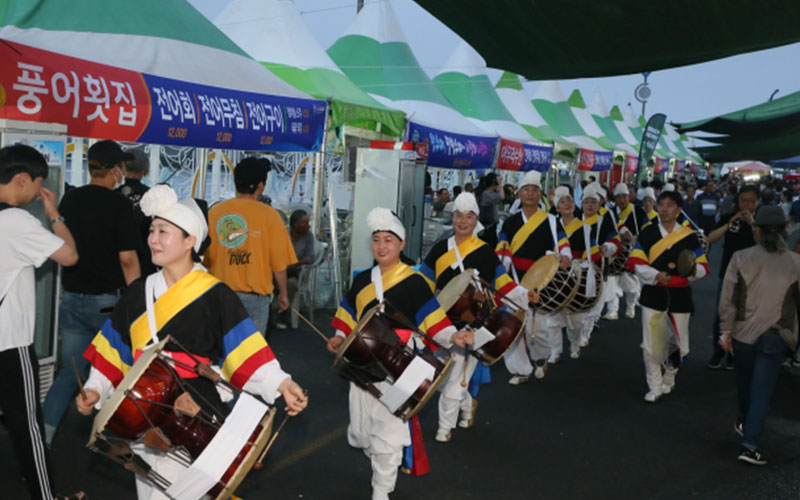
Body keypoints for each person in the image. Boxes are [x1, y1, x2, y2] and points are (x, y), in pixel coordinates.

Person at [76, 184, 307, 499]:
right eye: (152, 230)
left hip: (197, 405)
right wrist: (95, 388)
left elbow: (244, 350)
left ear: (190, 241)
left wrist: (282, 383)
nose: (153, 239)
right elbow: (114, 351)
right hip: (144, 408)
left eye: (163, 231)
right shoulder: (138, 292)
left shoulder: (215, 295)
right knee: (151, 493)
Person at [327, 207, 472, 500]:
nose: (381, 246)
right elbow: (346, 315)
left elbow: (433, 320)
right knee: (362, 433)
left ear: (402, 244)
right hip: (363, 363)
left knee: (390, 429)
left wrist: (452, 335)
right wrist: (339, 337)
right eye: (377, 239)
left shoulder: (415, 281)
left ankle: (382, 489)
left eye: (388, 240)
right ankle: (379, 459)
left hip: (403, 364)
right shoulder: (360, 280)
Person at [43, 139, 141, 444]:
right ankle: (118, 441)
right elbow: (127, 258)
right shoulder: (119, 204)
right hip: (107, 305)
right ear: (116, 169)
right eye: (122, 167)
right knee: (119, 373)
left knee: (67, 374)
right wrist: (137, 298)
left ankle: (41, 438)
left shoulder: (69, 200)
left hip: (72, 299)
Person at [0, 145, 82, 500]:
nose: (37, 192)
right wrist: (53, 212)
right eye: (37, 184)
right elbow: (69, 255)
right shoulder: (16, 221)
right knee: (27, 425)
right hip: (9, 340)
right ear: (21, 179)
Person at [419, 193, 532, 442]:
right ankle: (468, 405)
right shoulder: (439, 249)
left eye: (469, 216)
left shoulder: (485, 252)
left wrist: (526, 296)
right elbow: (424, 286)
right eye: (458, 215)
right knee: (442, 378)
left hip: (478, 325)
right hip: (443, 324)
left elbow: (503, 284)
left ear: (476, 220)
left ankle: (444, 429)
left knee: (457, 376)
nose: (462, 221)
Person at [718, 205, 800, 465]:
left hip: (742, 333)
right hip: (777, 333)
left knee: (745, 385)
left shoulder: (741, 258)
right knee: (762, 389)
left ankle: (745, 425)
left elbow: (728, 299)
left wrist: (725, 330)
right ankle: (750, 443)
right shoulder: (796, 263)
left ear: (757, 230)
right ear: (785, 231)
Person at [627, 190, 708, 402]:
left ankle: (670, 376)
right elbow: (637, 262)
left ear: (679, 209)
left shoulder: (689, 236)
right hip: (653, 293)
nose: (664, 209)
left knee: (680, 346)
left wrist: (691, 271)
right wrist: (655, 275)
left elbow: (702, 267)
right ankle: (653, 385)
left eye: (669, 205)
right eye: (660, 204)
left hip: (680, 294)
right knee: (651, 343)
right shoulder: (648, 233)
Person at [204, 157, 297, 336]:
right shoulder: (270, 215)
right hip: (255, 300)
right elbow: (278, 263)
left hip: (220, 295)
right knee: (251, 358)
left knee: (222, 354)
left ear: (236, 182)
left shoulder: (215, 212)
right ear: (260, 186)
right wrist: (283, 294)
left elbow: (206, 259)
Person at [496, 171, 571, 383]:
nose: (530, 194)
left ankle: (540, 358)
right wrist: (502, 268)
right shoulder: (510, 223)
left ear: (541, 195)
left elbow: (563, 242)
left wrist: (564, 257)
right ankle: (521, 370)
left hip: (541, 281)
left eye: (534, 190)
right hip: (514, 279)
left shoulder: (551, 220)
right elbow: (502, 247)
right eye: (525, 190)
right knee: (512, 326)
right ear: (518, 194)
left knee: (536, 328)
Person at [705, 185, 758, 369]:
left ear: (757, 202)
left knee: (743, 317)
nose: (747, 204)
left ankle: (734, 354)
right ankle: (718, 352)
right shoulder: (729, 217)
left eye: (751, 201)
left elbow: (764, 243)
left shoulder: (760, 222)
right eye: (743, 200)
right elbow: (710, 238)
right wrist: (729, 224)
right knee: (721, 315)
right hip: (727, 273)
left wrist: (752, 223)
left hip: (752, 277)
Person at [547, 187, 588, 358]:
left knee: (575, 319)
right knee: (552, 318)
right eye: (563, 201)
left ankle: (575, 342)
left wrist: (583, 264)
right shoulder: (550, 225)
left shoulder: (584, 226)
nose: (568, 203)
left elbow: (589, 250)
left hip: (577, 275)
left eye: (570, 200)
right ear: (557, 207)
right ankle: (554, 351)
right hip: (554, 275)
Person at [578, 184, 621, 343]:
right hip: (576, 269)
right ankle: (578, 333)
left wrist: (607, 247)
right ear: (581, 204)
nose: (590, 205)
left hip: (597, 267)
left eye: (593, 202)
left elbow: (615, 242)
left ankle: (586, 334)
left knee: (595, 302)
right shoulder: (575, 220)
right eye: (586, 202)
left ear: (599, 205)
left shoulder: (605, 220)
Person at [116, 146, 156, 277]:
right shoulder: (151, 195)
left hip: (115, 262)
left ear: (122, 168)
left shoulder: (112, 193)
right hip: (144, 261)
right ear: (144, 171)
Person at [609, 183, 647, 319]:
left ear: (629, 196)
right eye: (618, 197)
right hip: (616, 252)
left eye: (624, 196)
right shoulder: (611, 213)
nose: (622, 200)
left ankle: (630, 307)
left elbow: (646, 230)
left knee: (632, 282)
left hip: (633, 250)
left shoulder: (638, 212)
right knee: (614, 281)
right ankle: (613, 310)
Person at [274, 209, 315, 329]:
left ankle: (281, 314)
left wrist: (295, 262)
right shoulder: (282, 234)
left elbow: (310, 257)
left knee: (290, 284)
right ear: (296, 225)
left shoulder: (308, 236)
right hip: (278, 269)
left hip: (295, 271)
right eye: (305, 223)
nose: (309, 226)